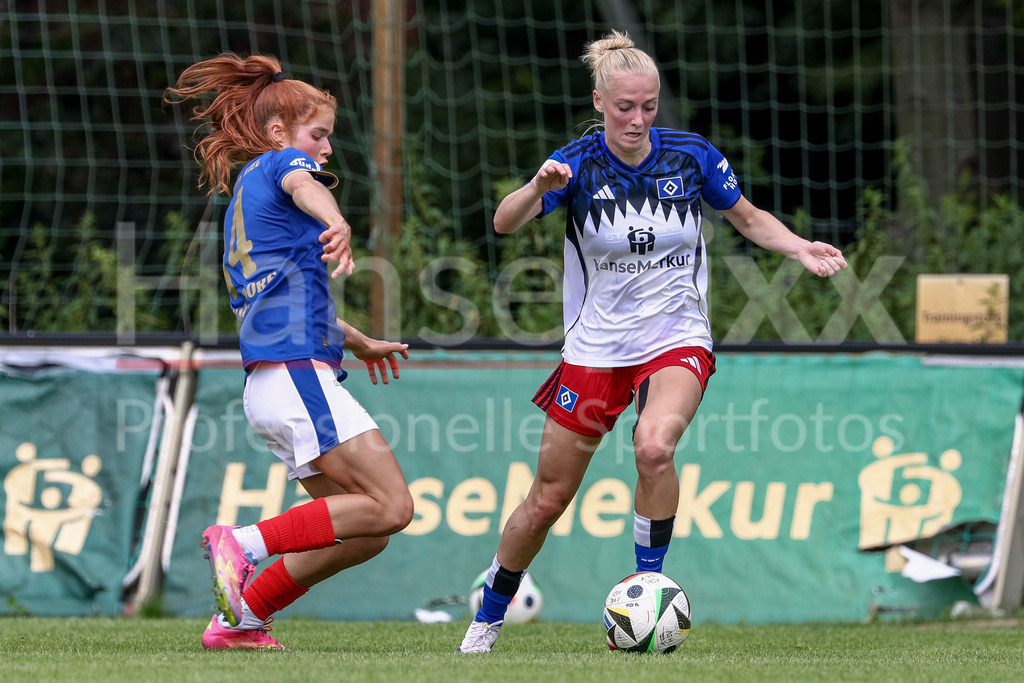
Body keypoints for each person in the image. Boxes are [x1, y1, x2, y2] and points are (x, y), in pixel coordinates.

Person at [456, 30, 848, 653]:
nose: (637, 120)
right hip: (594, 350)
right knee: (548, 498)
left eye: (648, 106)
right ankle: (489, 616)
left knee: (655, 446)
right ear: (599, 102)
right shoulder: (577, 163)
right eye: (624, 108)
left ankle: (649, 587)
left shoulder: (691, 157)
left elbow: (746, 218)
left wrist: (799, 246)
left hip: (676, 337)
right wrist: (536, 186)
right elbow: (503, 222)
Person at [165, 53, 414, 650]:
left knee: (365, 531)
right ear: (279, 133)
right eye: (318, 135)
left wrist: (360, 341)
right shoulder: (283, 165)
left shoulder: (248, 200)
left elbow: (297, 302)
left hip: (274, 385)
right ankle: (242, 544)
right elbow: (306, 183)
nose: (325, 150)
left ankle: (241, 619)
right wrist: (338, 221)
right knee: (393, 506)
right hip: (297, 379)